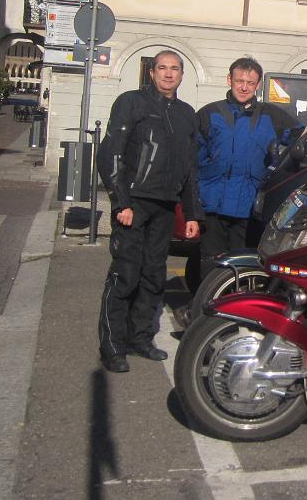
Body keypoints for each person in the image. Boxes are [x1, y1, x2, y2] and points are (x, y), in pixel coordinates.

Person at [96, 50, 201, 373]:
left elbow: (189, 168)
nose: (169, 74)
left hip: (165, 206)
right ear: (152, 72)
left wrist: (193, 213)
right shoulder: (132, 103)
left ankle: (141, 338)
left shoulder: (186, 114)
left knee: (153, 275)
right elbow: (110, 154)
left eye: (175, 69)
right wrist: (121, 202)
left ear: (182, 75)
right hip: (135, 202)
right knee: (125, 274)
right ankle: (113, 345)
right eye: (163, 68)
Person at [185, 57, 304, 297]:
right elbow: (192, 162)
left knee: (245, 264)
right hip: (213, 205)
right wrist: (192, 207)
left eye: (250, 82)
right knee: (211, 263)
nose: (244, 87)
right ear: (229, 80)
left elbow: (304, 139)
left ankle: (237, 311)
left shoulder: (273, 116)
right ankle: (203, 311)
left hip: (250, 207)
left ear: (258, 84)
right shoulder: (209, 114)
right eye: (239, 80)